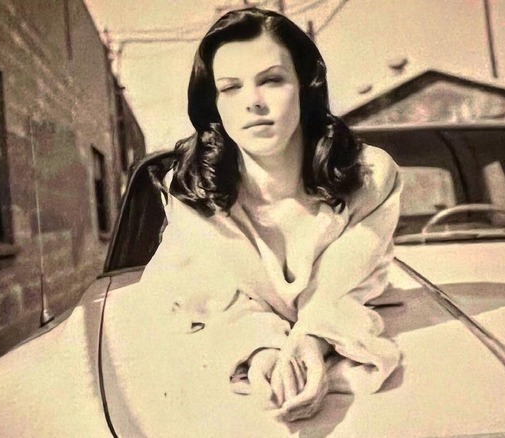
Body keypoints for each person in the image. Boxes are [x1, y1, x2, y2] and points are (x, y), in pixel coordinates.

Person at [141, 7, 402, 423]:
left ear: (305, 86)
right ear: (214, 104)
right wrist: (260, 350)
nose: (253, 102)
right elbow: (205, 294)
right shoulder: (192, 188)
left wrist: (311, 343)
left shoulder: (368, 175)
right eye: (231, 87)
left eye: (272, 80)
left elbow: (343, 288)